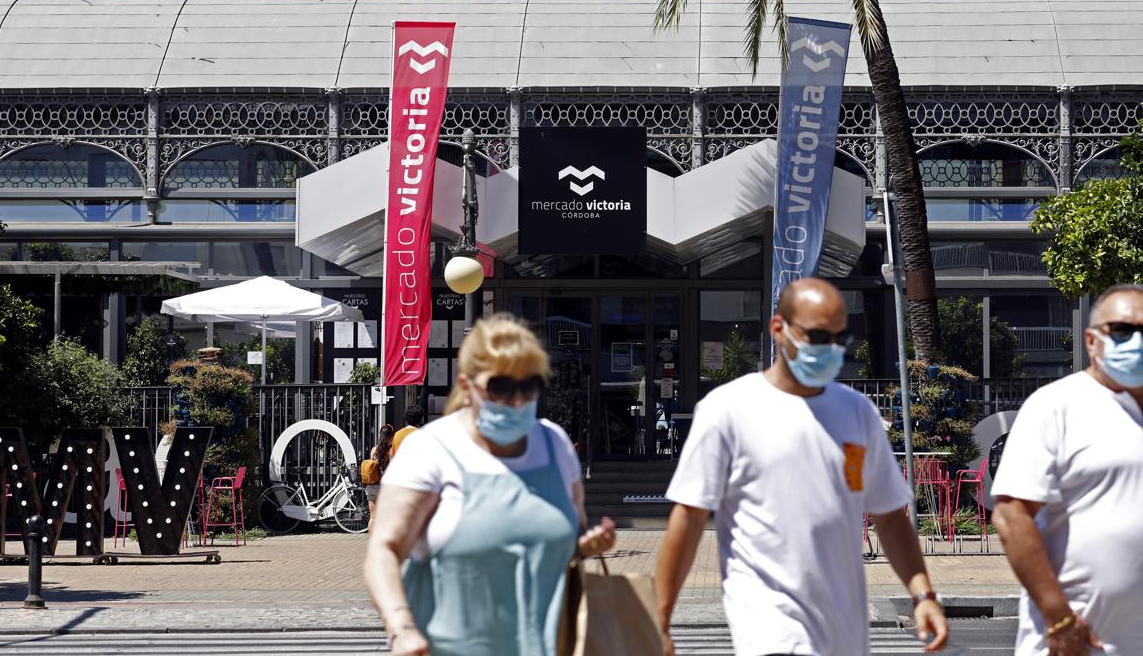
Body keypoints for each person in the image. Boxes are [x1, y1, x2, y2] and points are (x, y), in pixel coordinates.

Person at [655, 277, 949, 655]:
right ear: (778, 328)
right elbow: (689, 518)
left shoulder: (858, 413)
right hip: (770, 629)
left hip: (844, 635)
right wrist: (660, 619)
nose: (830, 348)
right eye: (817, 336)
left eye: (839, 338)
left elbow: (889, 517)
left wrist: (922, 594)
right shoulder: (728, 410)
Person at [364, 313, 617, 656]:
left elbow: (554, 545)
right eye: (500, 386)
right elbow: (384, 549)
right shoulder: (431, 449)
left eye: (529, 386)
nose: (516, 400)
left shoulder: (555, 446)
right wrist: (402, 628)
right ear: (468, 386)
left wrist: (585, 544)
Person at [991, 284, 1143, 656]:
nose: (1137, 342)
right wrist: (1058, 616)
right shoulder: (1054, 407)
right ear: (1091, 341)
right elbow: (1011, 517)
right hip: (1081, 643)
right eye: (1122, 331)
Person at [363, 423, 396, 530]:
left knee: (373, 518)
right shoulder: (391, 451)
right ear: (391, 437)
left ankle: (372, 542)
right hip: (386, 487)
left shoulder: (374, 450)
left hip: (372, 486)